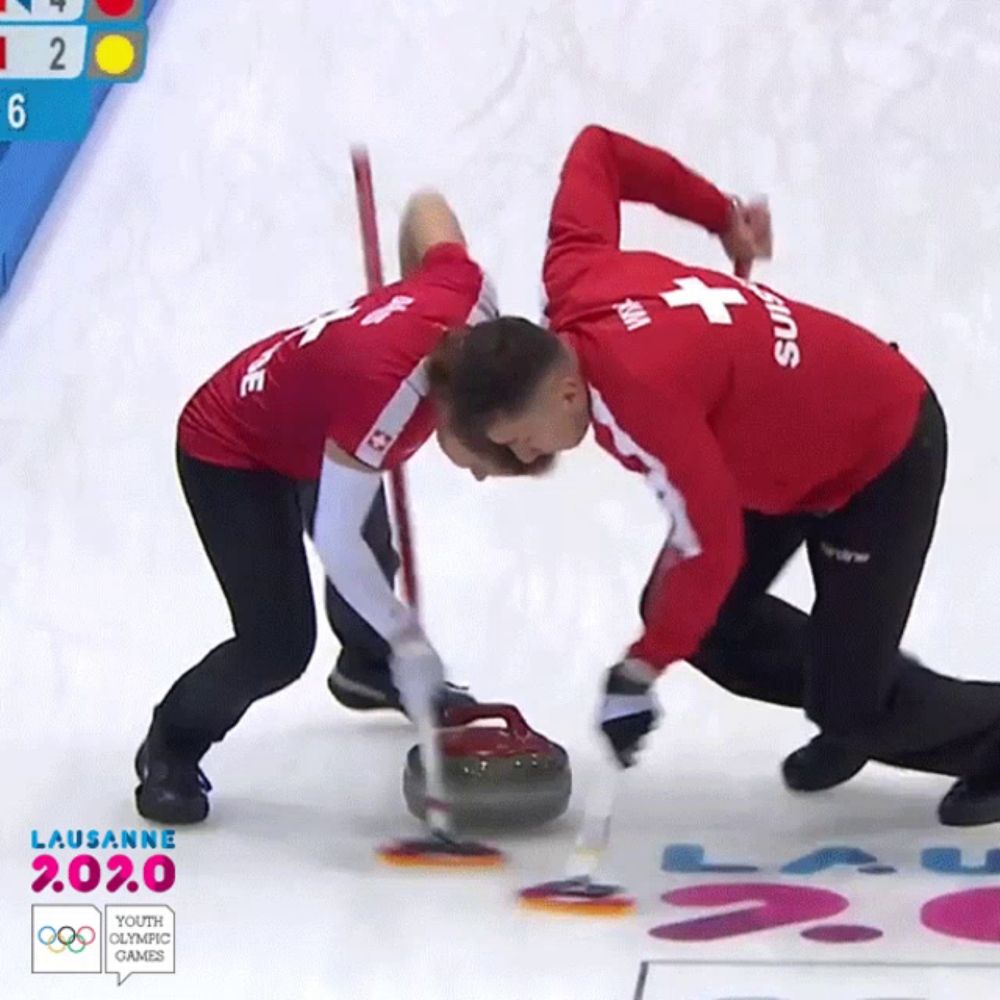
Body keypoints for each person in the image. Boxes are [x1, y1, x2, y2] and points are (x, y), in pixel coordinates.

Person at [427, 124, 1000, 827]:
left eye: (518, 440)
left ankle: (939, 726)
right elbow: (596, 151)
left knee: (843, 699)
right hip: (778, 442)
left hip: (878, 448)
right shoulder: (575, 280)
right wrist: (718, 213)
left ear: (565, 395)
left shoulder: (645, 402)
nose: (524, 459)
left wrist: (640, 671)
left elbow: (713, 545)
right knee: (705, 623)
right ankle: (871, 696)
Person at [136, 190, 498, 824]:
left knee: (371, 550)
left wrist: (410, 295)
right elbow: (336, 541)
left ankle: (366, 665)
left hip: (320, 418)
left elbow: (427, 207)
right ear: (450, 411)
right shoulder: (384, 401)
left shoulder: (471, 299)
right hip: (233, 447)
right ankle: (171, 743)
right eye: (484, 453)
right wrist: (411, 639)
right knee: (276, 644)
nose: (482, 474)